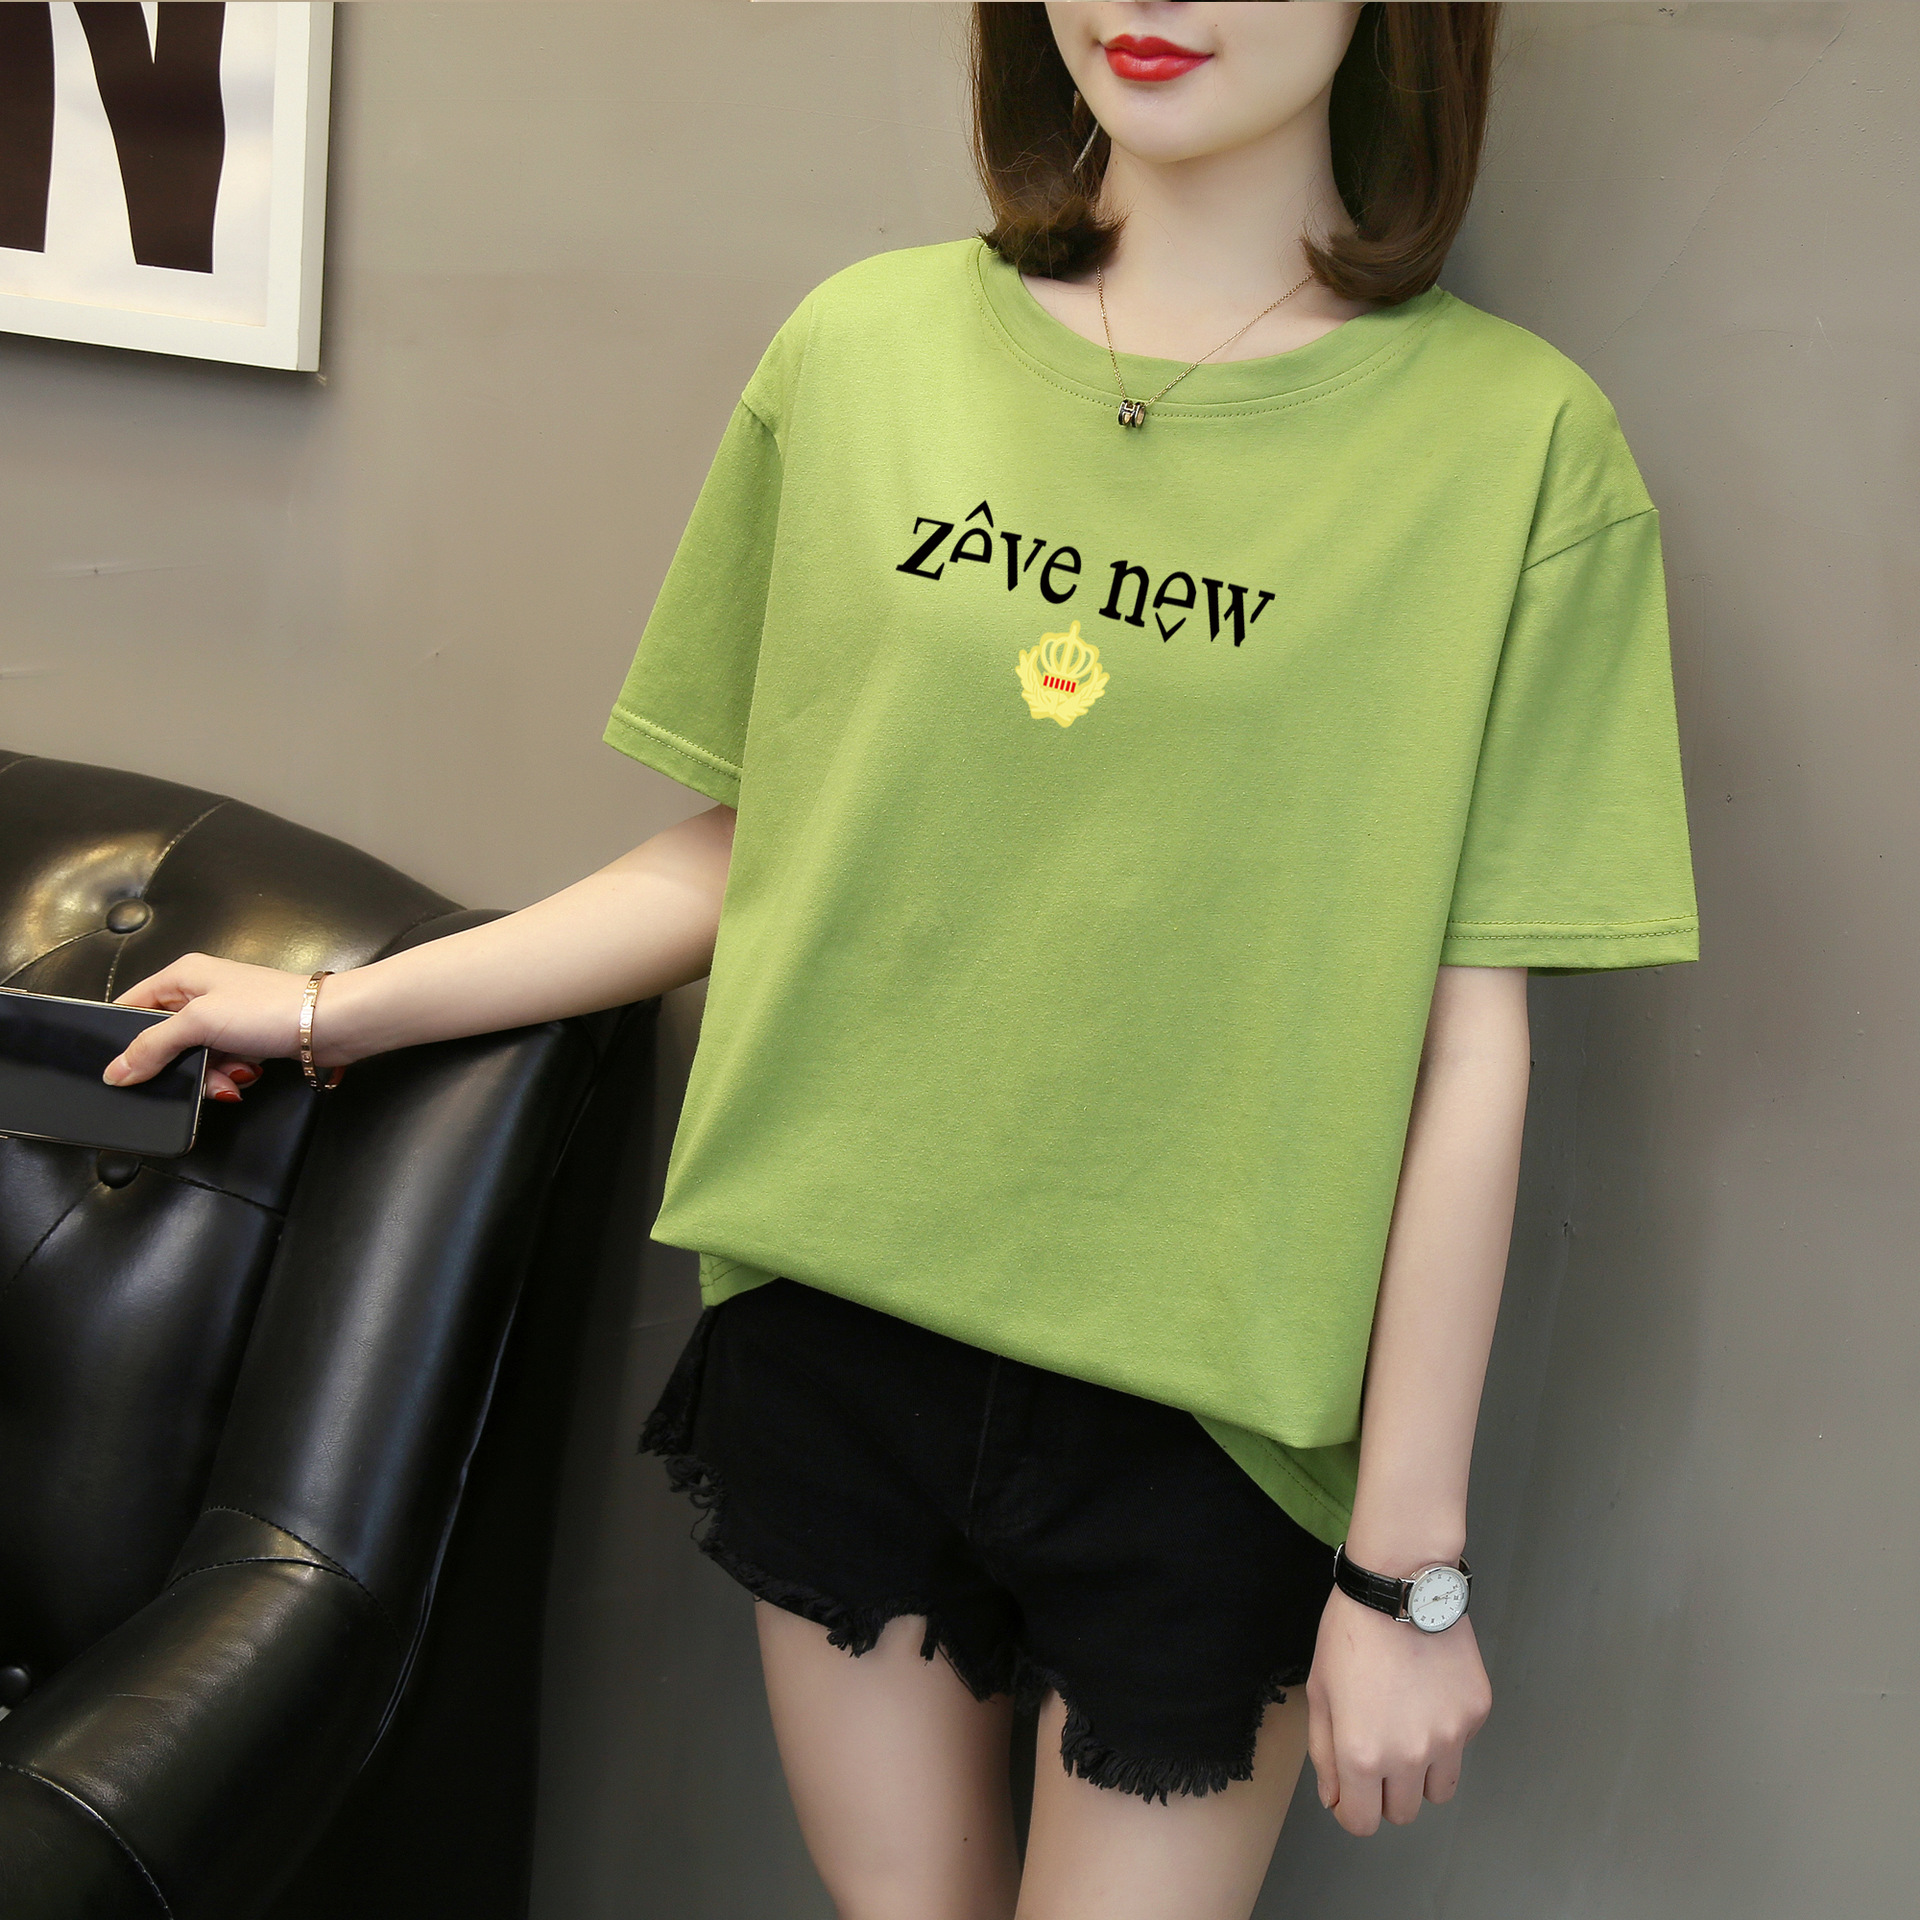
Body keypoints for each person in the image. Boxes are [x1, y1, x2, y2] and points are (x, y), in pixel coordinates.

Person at [104, 6, 1698, 1916]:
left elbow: (1471, 1043)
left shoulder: (1518, 451)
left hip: (1212, 1426)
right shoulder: (861, 351)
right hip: (838, 1342)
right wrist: (331, 1008)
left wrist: (1403, 1570)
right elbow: (762, 845)